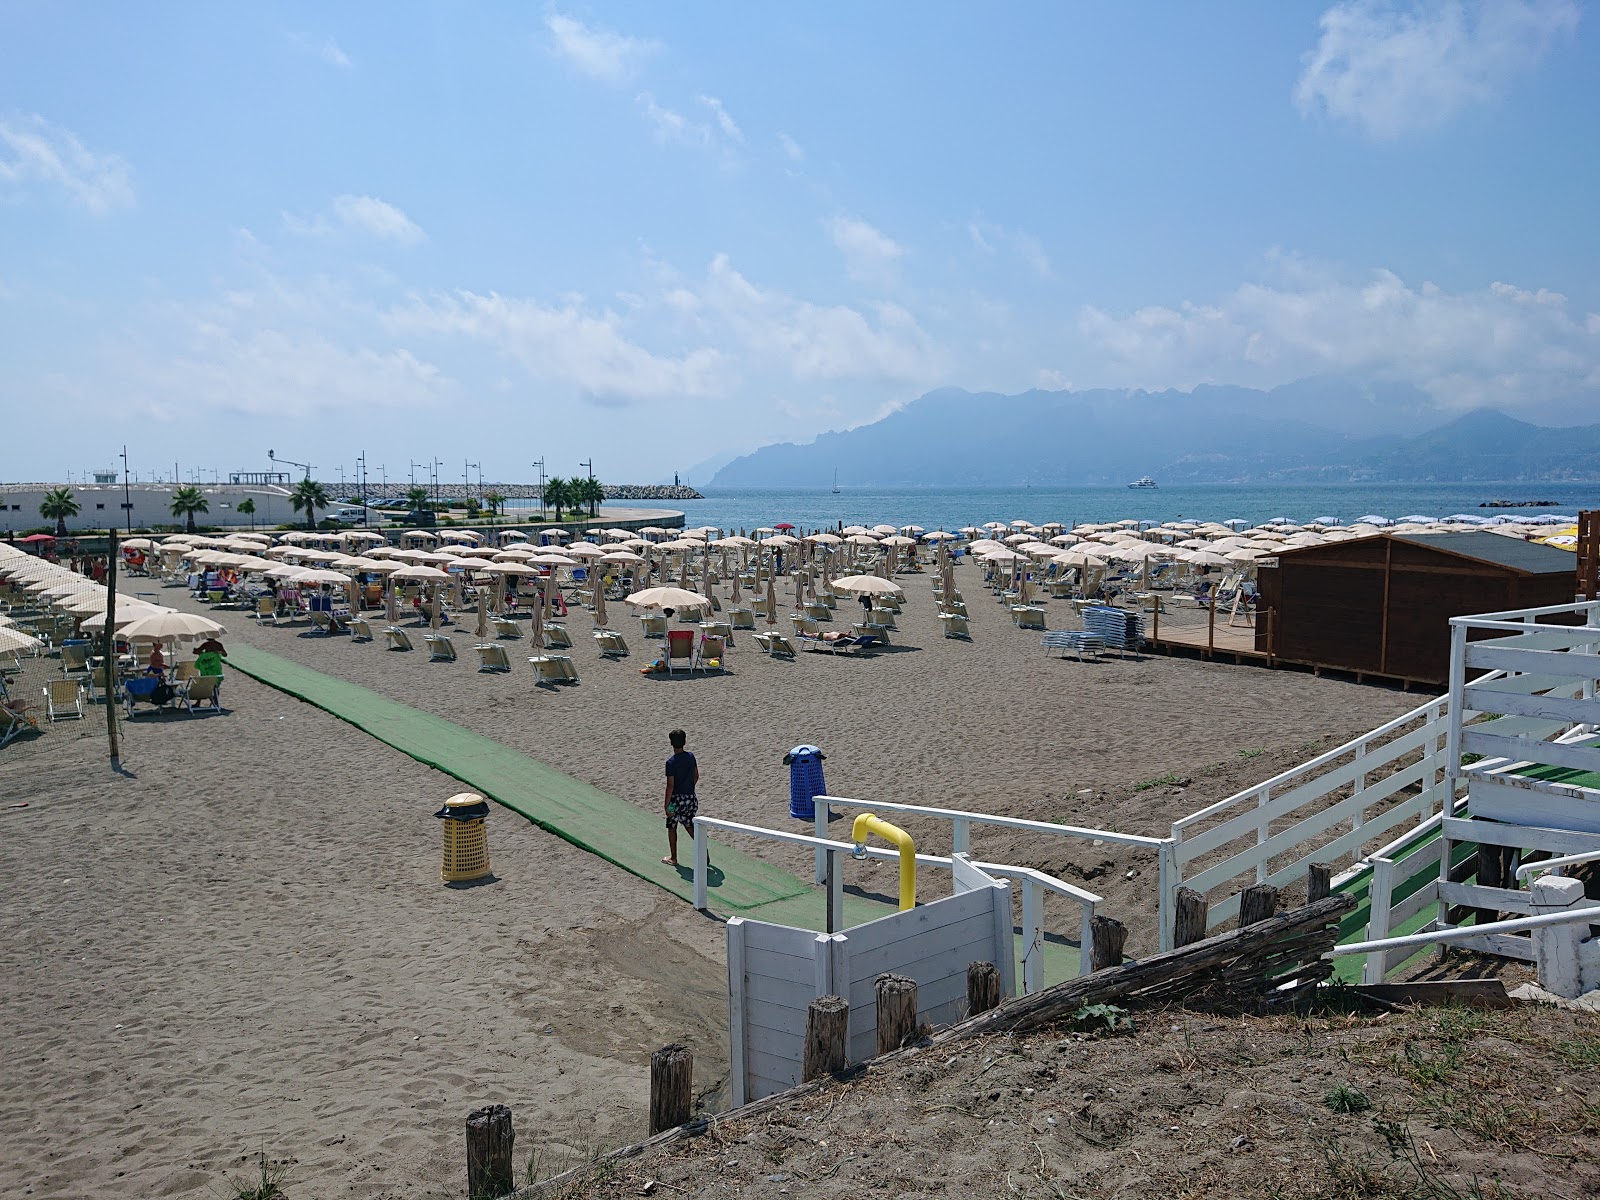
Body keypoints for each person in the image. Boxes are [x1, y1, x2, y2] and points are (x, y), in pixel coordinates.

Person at [661, 728, 699, 866]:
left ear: (671, 743)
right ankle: (702, 848)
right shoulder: (690, 757)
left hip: (675, 800)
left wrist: (666, 805)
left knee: (672, 827)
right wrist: (688, 789)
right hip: (690, 797)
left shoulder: (670, 763)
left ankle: (673, 857)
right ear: (685, 741)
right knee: (689, 825)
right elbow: (696, 776)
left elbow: (670, 786)